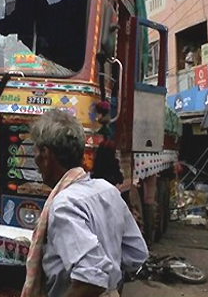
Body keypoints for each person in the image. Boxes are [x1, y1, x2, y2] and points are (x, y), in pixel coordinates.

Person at [21, 110, 148, 297]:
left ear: (46, 155)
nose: (36, 163)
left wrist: (99, 277)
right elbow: (137, 254)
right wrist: (110, 275)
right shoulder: (106, 190)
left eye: (36, 154)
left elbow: (91, 280)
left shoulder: (64, 206)